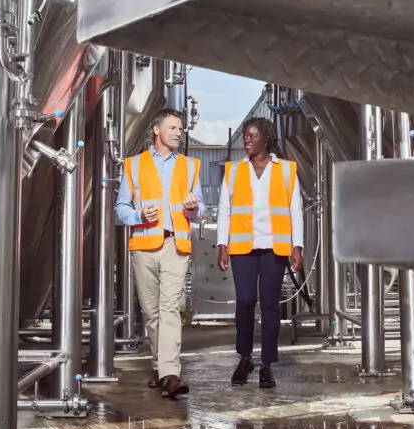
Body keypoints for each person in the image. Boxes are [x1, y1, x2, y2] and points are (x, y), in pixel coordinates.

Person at [115, 108, 204, 399]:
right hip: (144, 245)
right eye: (173, 127)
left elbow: (200, 209)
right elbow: (120, 209)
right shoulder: (133, 165)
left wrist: (193, 208)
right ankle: (159, 364)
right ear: (156, 130)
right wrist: (140, 214)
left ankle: (170, 374)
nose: (179, 132)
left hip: (175, 245)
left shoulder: (191, 166)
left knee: (169, 309)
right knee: (151, 313)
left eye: (181, 128)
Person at [216, 118, 303, 389]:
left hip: (274, 247)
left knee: (269, 306)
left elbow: (295, 210)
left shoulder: (287, 170)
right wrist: (222, 244)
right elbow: (225, 210)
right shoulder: (233, 171)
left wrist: (297, 246)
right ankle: (245, 357)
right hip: (242, 247)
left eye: (253, 136)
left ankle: (267, 365)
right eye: (245, 136)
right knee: (244, 302)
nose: (247, 140)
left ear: (265, 138)